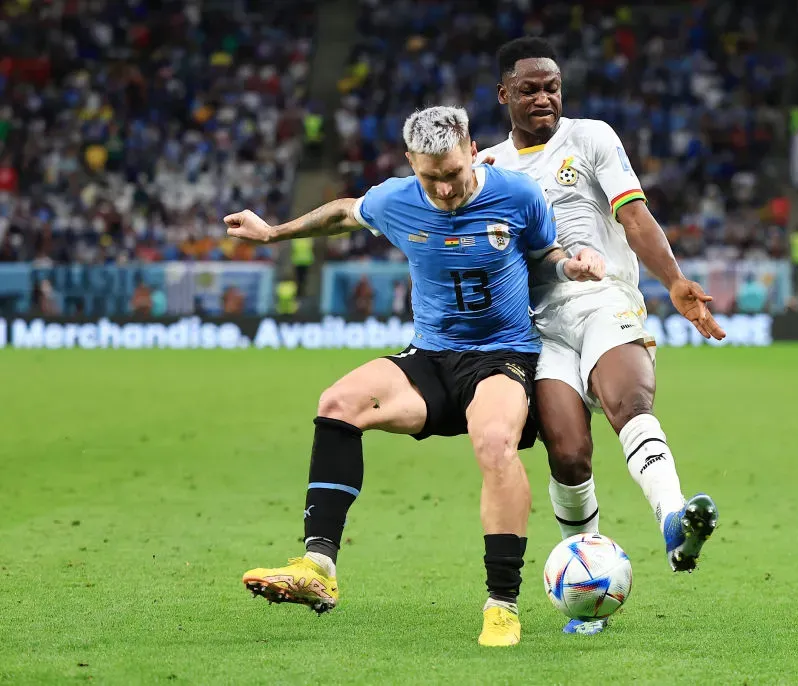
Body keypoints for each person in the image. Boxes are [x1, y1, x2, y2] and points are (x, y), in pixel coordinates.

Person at [225, 106, 605, 647]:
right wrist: (273, 234)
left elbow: (546, 253)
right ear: (411, 164)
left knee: (495, 444)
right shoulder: (397, 199)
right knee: (337, 402)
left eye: (453, 174)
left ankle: (501, 605)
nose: (445, 189)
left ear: (472, 151)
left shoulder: (516, 195)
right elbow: (343, 212)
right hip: (429, 357)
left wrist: (574, 263)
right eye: (431, 177)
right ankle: (319, 567)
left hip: (502, 357)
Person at [476, 37, 724, 635]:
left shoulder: (590, 137)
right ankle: (587, 592)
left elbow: (633, 214)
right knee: (567, 452)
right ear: (504, 93)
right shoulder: (487, 167)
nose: (545, 97)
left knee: (627, 400)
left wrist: (675, 281)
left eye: (553, 86)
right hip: (540, 324)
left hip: (604, 299)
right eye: (531, 88)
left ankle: (673, 519)